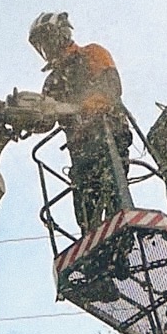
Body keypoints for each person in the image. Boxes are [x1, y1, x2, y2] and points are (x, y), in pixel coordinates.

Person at [29, 12, 135, 235]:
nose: (47, 47)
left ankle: (121, 239)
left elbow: (111, 86)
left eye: (48, 39)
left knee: (113, 188)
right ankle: (95, 243)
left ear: (61, 34)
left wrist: (90, 104)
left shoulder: (92, 54)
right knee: (85, 207)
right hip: (80, 150)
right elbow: (47, 117)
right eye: (42, 44)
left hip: (108, 134)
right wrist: (28, 119)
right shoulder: (52, 82)